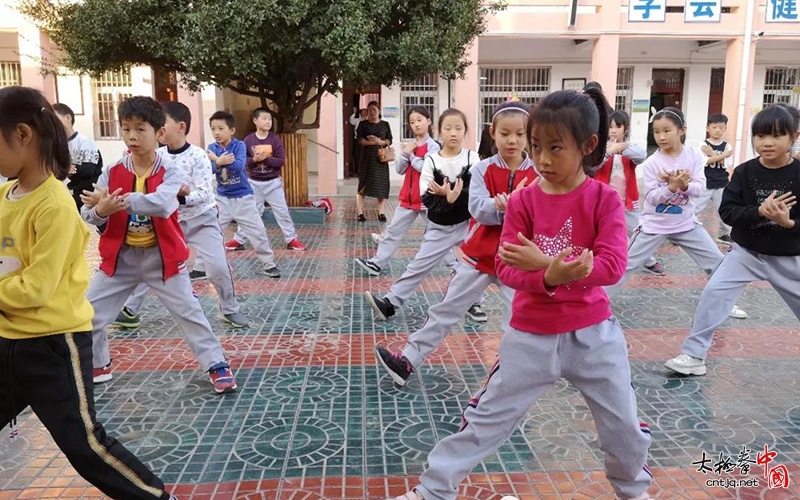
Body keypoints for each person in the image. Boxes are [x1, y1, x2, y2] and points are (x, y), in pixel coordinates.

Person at [385, 88, 654, 500]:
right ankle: (433, 490)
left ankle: (634, 492)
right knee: (485, 420)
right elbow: (509, 269)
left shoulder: (604, 200)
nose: (542, 159)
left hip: (595, 337)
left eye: (555, 148)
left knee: (624, 427)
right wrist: (553, 273)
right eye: (536, 147)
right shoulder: (525, 200)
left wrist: (545, 265)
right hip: (529, 337)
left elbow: (613, 267)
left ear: (588, 146)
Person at [0, 86, 177, 500]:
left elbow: (36, 289)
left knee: (87, 447)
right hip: (7, 343)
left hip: (51, 347)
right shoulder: (4, 196)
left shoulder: (54, 208)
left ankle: (157, 497)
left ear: (23, 135)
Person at [80, 96, 237, 394]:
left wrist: (115, 202)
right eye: (126, 129)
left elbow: (164, 204)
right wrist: (101, 210)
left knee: (190, 313)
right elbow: (88, 212)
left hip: (162, 259)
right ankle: (98, 364)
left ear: (158, 133)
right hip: (121, 259)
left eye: (141, 129)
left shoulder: (170, 169)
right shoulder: (113, 171)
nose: (132, 137)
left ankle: (217, 365)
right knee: (88, 313)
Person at [374, 101, 537, 386]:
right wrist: (505, 206)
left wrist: (513, 205)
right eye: (505, 133)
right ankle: (407, 361)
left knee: (519, 320)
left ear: (529, 135)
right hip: (479, 257)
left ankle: (513, 375)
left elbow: (540, 213)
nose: (512, 140)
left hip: (518, 260)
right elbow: (477, 208)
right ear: (493, 133)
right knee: (445, 310)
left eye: (520, 134)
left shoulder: (537, 172)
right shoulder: (483, 168)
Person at [665, 104, 800, 376]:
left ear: (793, 137)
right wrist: (759, 211)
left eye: (776, 136)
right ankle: (693, 355)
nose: (767, 143)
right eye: (760, 136)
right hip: (745, 254)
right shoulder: (744, 172)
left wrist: (789, 223)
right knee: (713, 295)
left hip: (787, 256)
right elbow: (727, 210)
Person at [112, 102, 250, 330]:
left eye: (162, 123)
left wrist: (178, 196)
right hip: (168, 221)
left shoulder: (199, 156)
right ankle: (130, 310)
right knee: (152, 263)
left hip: (201, 219)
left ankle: (230, 309)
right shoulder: (156, 157)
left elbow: (205, 193)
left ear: (181, 126)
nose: (159, 129)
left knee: (218, 267)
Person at [604, 107, 748, 320]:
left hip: (686, 224)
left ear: (682, 130)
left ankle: (726, 305)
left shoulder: (693, 157)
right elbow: (651, 197)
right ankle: (598, 303)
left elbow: (699, 189)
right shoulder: (653, 162)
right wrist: (670, 188)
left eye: (667, 131)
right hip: (654, 226)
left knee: (718, 264)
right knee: (625, 264)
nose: (661, 137)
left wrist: (683, 185)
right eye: (656, 132)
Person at [365, 108, 476, 321]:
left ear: (465, 131)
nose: (453, 133)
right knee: (418, 265)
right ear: (440, 131)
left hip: (466, 223)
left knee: (477, 266)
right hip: (439, 224)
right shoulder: (433, 160)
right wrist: (446, 196)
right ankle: (390, 303)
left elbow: (476, 194)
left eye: (458, 128)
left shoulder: (473, 159)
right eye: (448, 128)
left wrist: (453, 195)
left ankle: (475, 304)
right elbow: (427, 194)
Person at [207, 111, 280, 278]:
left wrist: (217, 160)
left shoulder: (239, 145)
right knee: (211, 232)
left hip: (243, 198)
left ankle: (269, 265)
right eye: (213, 129)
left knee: (258, 232)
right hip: (222, 199)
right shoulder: (212, 148)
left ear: (231, 130)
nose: (216, 132)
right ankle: (200, 267)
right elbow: (208, 170)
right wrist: (219, 162)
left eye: (220, 128)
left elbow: (240, 166)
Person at [225, 108, 306, 252]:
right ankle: (239, 240)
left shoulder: (274, 139)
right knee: (249, 212)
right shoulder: (249, 140)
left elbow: (281, 161)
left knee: (282, 211)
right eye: (264, 118)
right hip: (254, 183)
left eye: (269, 119)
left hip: (273, 183)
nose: (268, 121)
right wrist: (255, 159)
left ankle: (291, 239)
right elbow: (242, 161)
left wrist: (267, 160)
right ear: (255, 121)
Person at [595, 110, 665, 276]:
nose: (613, 130)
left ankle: (649, 261)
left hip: (627, 201)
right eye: (610, 127)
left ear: (625, 129)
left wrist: (620, 149)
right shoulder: (599, 149)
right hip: (602, 201)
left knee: (638, 231)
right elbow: (594, 165)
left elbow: (641, 156)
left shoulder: (631, 148)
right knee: (599, 230)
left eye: (618, 127)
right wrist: (609, 151)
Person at [52, 102, 103, 209]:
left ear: (68, 117)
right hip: (71, 192)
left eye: (55, 118)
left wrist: (67, 167)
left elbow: (89, 169)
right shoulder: (57, 145)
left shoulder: (84, 142)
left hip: (89, 194)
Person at [696, 113, 734, 244]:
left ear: (725, 129)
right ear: (708, 128)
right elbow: (703, 161)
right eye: (714, 127)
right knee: (695, 209)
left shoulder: (727, 145)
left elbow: (726, 164)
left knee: (724, 208)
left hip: (721, 183)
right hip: (704, 183)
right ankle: (682, 232)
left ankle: (726, 234)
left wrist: (711, 154)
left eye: (721, 127)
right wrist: (723, 155)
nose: (717, 130)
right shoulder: (702, 143)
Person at [356, 101, 392, 222]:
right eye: (369, 110)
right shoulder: (363, 124)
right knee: (363, 185)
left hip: (381, 159)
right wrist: (372, 142)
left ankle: (381, 213)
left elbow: (389, 140)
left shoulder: (385, 124)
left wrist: (381, 142)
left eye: (374, 110)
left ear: (379, 111)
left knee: (381, 186)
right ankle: (360, 213)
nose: (372, 112)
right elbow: (360, 140)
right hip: (366, 158)